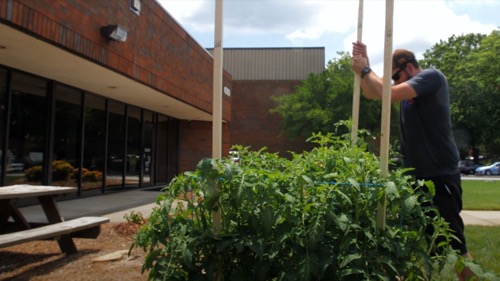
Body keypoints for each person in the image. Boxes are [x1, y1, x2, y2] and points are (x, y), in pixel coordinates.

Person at [351, 41, 475, 280]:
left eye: (396, 78)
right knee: (411, 242)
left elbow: (390, 93)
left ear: (408, 68)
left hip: (439, 174)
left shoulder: (431, 77)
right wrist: (362, 69)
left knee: (454, 245)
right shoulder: (404, 87)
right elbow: (373, 93)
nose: (395, 84)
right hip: (417, 176)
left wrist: (367, 70)